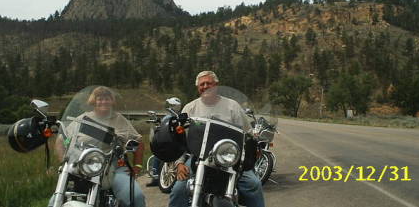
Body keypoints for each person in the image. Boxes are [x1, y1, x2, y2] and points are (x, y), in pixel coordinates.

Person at [168, 71, 265, 207]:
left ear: (216, 85)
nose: (206, 86)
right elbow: (181, 139)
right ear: (198, 87)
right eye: (202, 84)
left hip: (229, 159)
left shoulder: (232, 106)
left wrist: (254, 146)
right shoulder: (190, 108)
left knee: (253, 184)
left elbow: (248, 133)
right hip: (198, 157)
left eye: (209, 83)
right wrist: (179, 164)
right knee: (178, 190)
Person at [50, 86, 146, 207]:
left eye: (107, 98)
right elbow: (62, 139)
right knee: (55, 200)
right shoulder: (82, 119)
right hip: (83, 167)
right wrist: (64, 159)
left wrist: (137, 167)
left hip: (113, 168)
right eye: (100, 98)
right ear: (93, 101)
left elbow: (139, 142)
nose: (103, 102)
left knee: (136, 198)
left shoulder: (119, 120)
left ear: (112, 101)